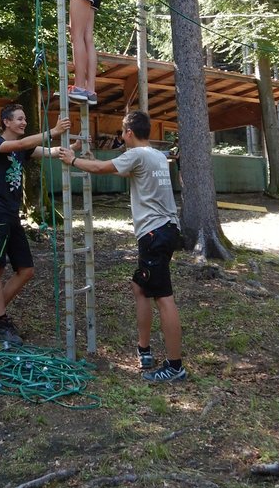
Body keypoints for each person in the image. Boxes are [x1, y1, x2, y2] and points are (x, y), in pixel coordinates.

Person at [59, 110, 186, 383]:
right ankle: (144, 349)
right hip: (165, 231)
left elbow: (102, 169)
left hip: (154, 234)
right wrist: (88, 158)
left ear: (129, 132)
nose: (121, 136)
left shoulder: (137, 154)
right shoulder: (156, 156)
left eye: (122, 131)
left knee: (163, 297)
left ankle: (175, 366)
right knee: (140, 287)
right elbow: (117, 170)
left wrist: (73, 159)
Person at [0, 103, 73, 344]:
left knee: (26, 270)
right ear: (6, 122)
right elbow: (20, 145)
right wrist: (53, 131)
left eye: (24, 119)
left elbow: (51, 152)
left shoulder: (23, 149)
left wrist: (75, 147)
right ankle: (2, 322)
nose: (24, 122)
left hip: (11, 215)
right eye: (19, 119)